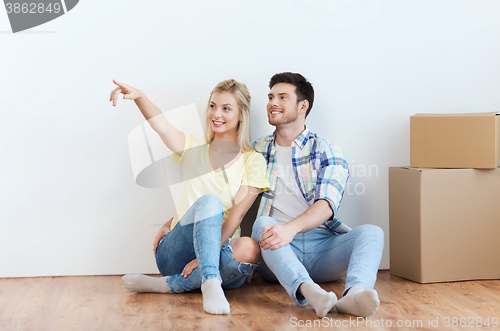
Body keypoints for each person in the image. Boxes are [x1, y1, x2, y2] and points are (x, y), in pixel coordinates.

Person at [109, 79, 270, 315]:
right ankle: (211, 280)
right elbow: (161, 125)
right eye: (213, 106)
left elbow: (239, 213)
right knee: (210, 202)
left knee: (250, 248)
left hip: (221, 250)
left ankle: (168, 285)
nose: (216, 114)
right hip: (177, 252)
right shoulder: (192, 148)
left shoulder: (252, 160)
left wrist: (209, 255)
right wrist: (140, 96)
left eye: (226, 108)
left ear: (241, 115)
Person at [251, 72, 384, 318]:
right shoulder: (257, 149)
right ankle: (308, 291)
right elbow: (228, 194)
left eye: (282, 97)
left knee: (372, 233)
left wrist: (290, 228)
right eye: (270, 97)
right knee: (262, 224)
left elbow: (326, 205)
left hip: (322, 246)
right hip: (277, 249)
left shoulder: (326, 149)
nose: (272, 103)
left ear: (303, 106)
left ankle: (354, 295)